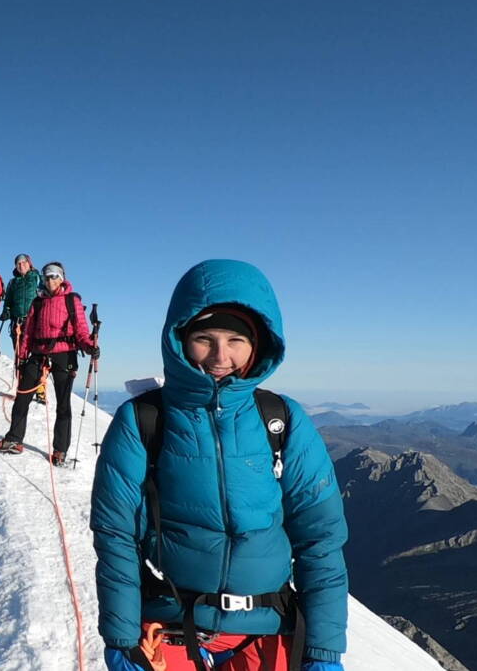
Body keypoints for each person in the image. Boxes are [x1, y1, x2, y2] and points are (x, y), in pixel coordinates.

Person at [90, 259, 347, 671]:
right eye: (204, 338)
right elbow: (117, 535)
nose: (220, 356)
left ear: (258, 344)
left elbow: (320, 538)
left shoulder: (282, 420)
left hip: (270, 631)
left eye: (236, 340)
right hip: (172, 626)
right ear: (180, 339)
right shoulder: (143, 420)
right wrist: (122, 638)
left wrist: (323, 648)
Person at [0, 262, 96, 466]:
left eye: (53, 276)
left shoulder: (71, 300)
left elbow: (81, 329)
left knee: (63, 404)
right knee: (22, 397)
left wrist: (88, 345)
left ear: (61, 277)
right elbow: (28, 332)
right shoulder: (37, 302)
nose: (49, 280)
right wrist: (22, 356)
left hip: (64, 355)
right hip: (38, 353)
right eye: (46, 276)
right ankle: (14, 439)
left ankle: (60, 451)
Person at [4, 254, 46, 403]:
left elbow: (46, 294)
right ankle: (22, 388)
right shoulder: (13, 282)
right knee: (19, 358)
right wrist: (6, 311)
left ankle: (40, 390)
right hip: (18, 324)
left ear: (29, 264)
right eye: (18, 263)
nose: (21, 265)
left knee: (37, 358)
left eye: (24, 262)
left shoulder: (37, 278)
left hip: (34, 323)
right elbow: (8, 299)